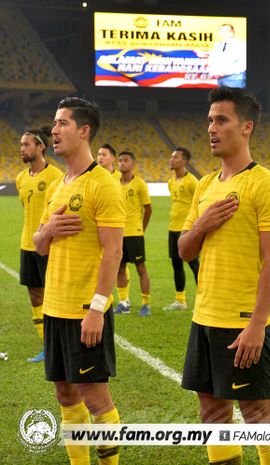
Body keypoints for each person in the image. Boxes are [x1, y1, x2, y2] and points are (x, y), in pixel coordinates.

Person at [178, 86, 270, 465]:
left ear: (246, 127)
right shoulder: (207, 184)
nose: (212, 127)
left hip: (243, 321)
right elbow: (184, 250)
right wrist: (202, 225)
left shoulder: (264, 185)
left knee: (258, 416)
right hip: (204, 317)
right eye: (210, 120)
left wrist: (258, 324)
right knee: (212, 414)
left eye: (221, 120)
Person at [33, 96, 125, 465]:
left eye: (63, 123)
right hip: (55, 308)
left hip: (86, 309)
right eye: (54, 124)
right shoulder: (58, 185)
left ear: (84, 130)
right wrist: (49, 229)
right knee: (65, 396)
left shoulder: (102, 184)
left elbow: (113, 253)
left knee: (95, 398)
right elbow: (40, 245)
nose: (54, 130)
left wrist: (98, 309)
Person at [16, 126, 63, 362]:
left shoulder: (56, 177)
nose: (22, 149)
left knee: (52, 296)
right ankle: (46, 345)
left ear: (40, 147)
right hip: (27, 245)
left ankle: (57, 344)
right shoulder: (21, 179)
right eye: (21, 145)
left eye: (26, 144)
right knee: (35, 295)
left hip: (49, 247)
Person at [114, 151, 152, 317]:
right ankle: (124, 303)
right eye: (120, 160)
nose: (122, 163)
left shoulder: (140, 184)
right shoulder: (114, 183)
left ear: (132, 164)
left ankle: (146, 304)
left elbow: (148, 208)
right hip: (118, 232)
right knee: (119, 268)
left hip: (134, 233)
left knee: (140, 268)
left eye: (126, 160)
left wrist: (141, 229)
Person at [163, 147, 200, 311]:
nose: (171, 160)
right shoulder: (171, 182)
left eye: (175, 157)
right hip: (173, 228)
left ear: (184, 161)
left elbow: (200, 203)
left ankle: (201, 300)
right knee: (176, 264)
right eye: (171, 157)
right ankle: (180, 300)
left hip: (188, 229)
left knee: (194, 264)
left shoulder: (192, 181)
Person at [97, 143, 131, 304]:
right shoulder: (95, 176)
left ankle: (124, 299)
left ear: (112, 158)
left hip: (119, 226)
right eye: (98, 154)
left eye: (104, 155)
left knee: (119, 262)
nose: (100, 158)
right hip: (99, 225)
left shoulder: (119, 178)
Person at [207, 24, 246, 88]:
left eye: (228, 31)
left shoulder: (241, 44)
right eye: (222, 31)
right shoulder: (218, 45)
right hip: (220, 80)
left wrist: (224, 72)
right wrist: (213, 71)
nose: (225, 33)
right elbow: (213, 60)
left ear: (233, 31)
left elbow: (243, 64)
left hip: (235, 80)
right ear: (219, 33)